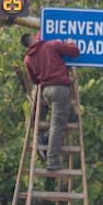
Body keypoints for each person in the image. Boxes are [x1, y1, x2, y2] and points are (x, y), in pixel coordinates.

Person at [21, 32, 80, 172]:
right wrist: (71, 43)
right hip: (60, 89)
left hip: (46, 91)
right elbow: (75, 52)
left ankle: (45, 138)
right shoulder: (51, 45)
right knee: (57, 125)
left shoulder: (28, 59)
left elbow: (34, 80)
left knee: (71, 118)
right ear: (35, 38)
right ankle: (52, 159)